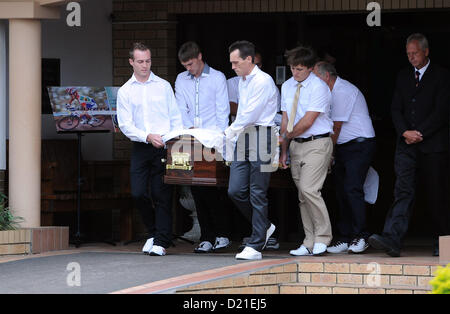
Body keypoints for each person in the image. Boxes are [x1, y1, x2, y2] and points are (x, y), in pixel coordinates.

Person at [369, 33, 450, 257]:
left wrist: (420, 133)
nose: (411, 57)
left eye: (415, 53)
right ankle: (393, 240)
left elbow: (442, 111)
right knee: (402, 191)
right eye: (408, 54)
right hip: (406, 144)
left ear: (426, 51)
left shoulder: (442, 76)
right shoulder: (403, 76)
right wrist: (404, 131)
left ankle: (444, 244)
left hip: (433, 145)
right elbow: (396, 108)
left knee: (437, 195)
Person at [117, 42, 183, 256]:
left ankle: (161, 242)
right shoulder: (125, 91)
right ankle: (154, 232)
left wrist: (171, 140)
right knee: (137, 193)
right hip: (141, 145)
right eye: (140, 61)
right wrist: (146, 136)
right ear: (131, 62)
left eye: (148, 61)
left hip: (164, 145)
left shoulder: (163, 85)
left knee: (162, 194)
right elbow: (125, 124)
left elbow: (175, 116)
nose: (145, 65)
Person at [174, 41, 232, 253]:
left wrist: (217, 139)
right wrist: (190, 131)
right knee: (196, 188)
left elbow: (222, 110)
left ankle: (222, 234)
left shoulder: (217, 77)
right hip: (191, 137)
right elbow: (181, 107)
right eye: (185, 65)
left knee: (214, 189)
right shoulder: (181, 79)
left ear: (200, 57)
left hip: (213, 138)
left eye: (190, 64)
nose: (188, 69)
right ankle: (207, 236)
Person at [314, 61, 376, 254]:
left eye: (315, 77)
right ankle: (345, 236)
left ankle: (361, 236)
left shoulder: (342, 90)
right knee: (341, 191)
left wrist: (328, 154)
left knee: (352, 188)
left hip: (359, 144)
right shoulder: (327, 92)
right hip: (343, 147)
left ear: (325, 77)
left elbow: (337, 127)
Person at [226, 41, 279, 260]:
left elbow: (250, 114)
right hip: (244, 135)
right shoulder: (242, 81)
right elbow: (243, 115)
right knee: (235, 190)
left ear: (249, 59)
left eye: (236, 62)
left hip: (262, 135)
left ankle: (256, 244)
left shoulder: (263, 81)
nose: (232, 67)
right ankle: (264, 227)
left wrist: (227, 133)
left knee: (258, 191)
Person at [279, 46, 334, 256]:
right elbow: (286, 118)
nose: (295, 73)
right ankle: (309, 240)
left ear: (311, 68)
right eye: (292, 68)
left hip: (317, 143)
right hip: (295, 144)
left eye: (300, 69)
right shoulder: (287, 86)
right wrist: (284, 150)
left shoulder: (319, 87)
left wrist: (285, 136)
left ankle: (323, 237)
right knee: (303, 195)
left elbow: (308, 121)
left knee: (310, 189)